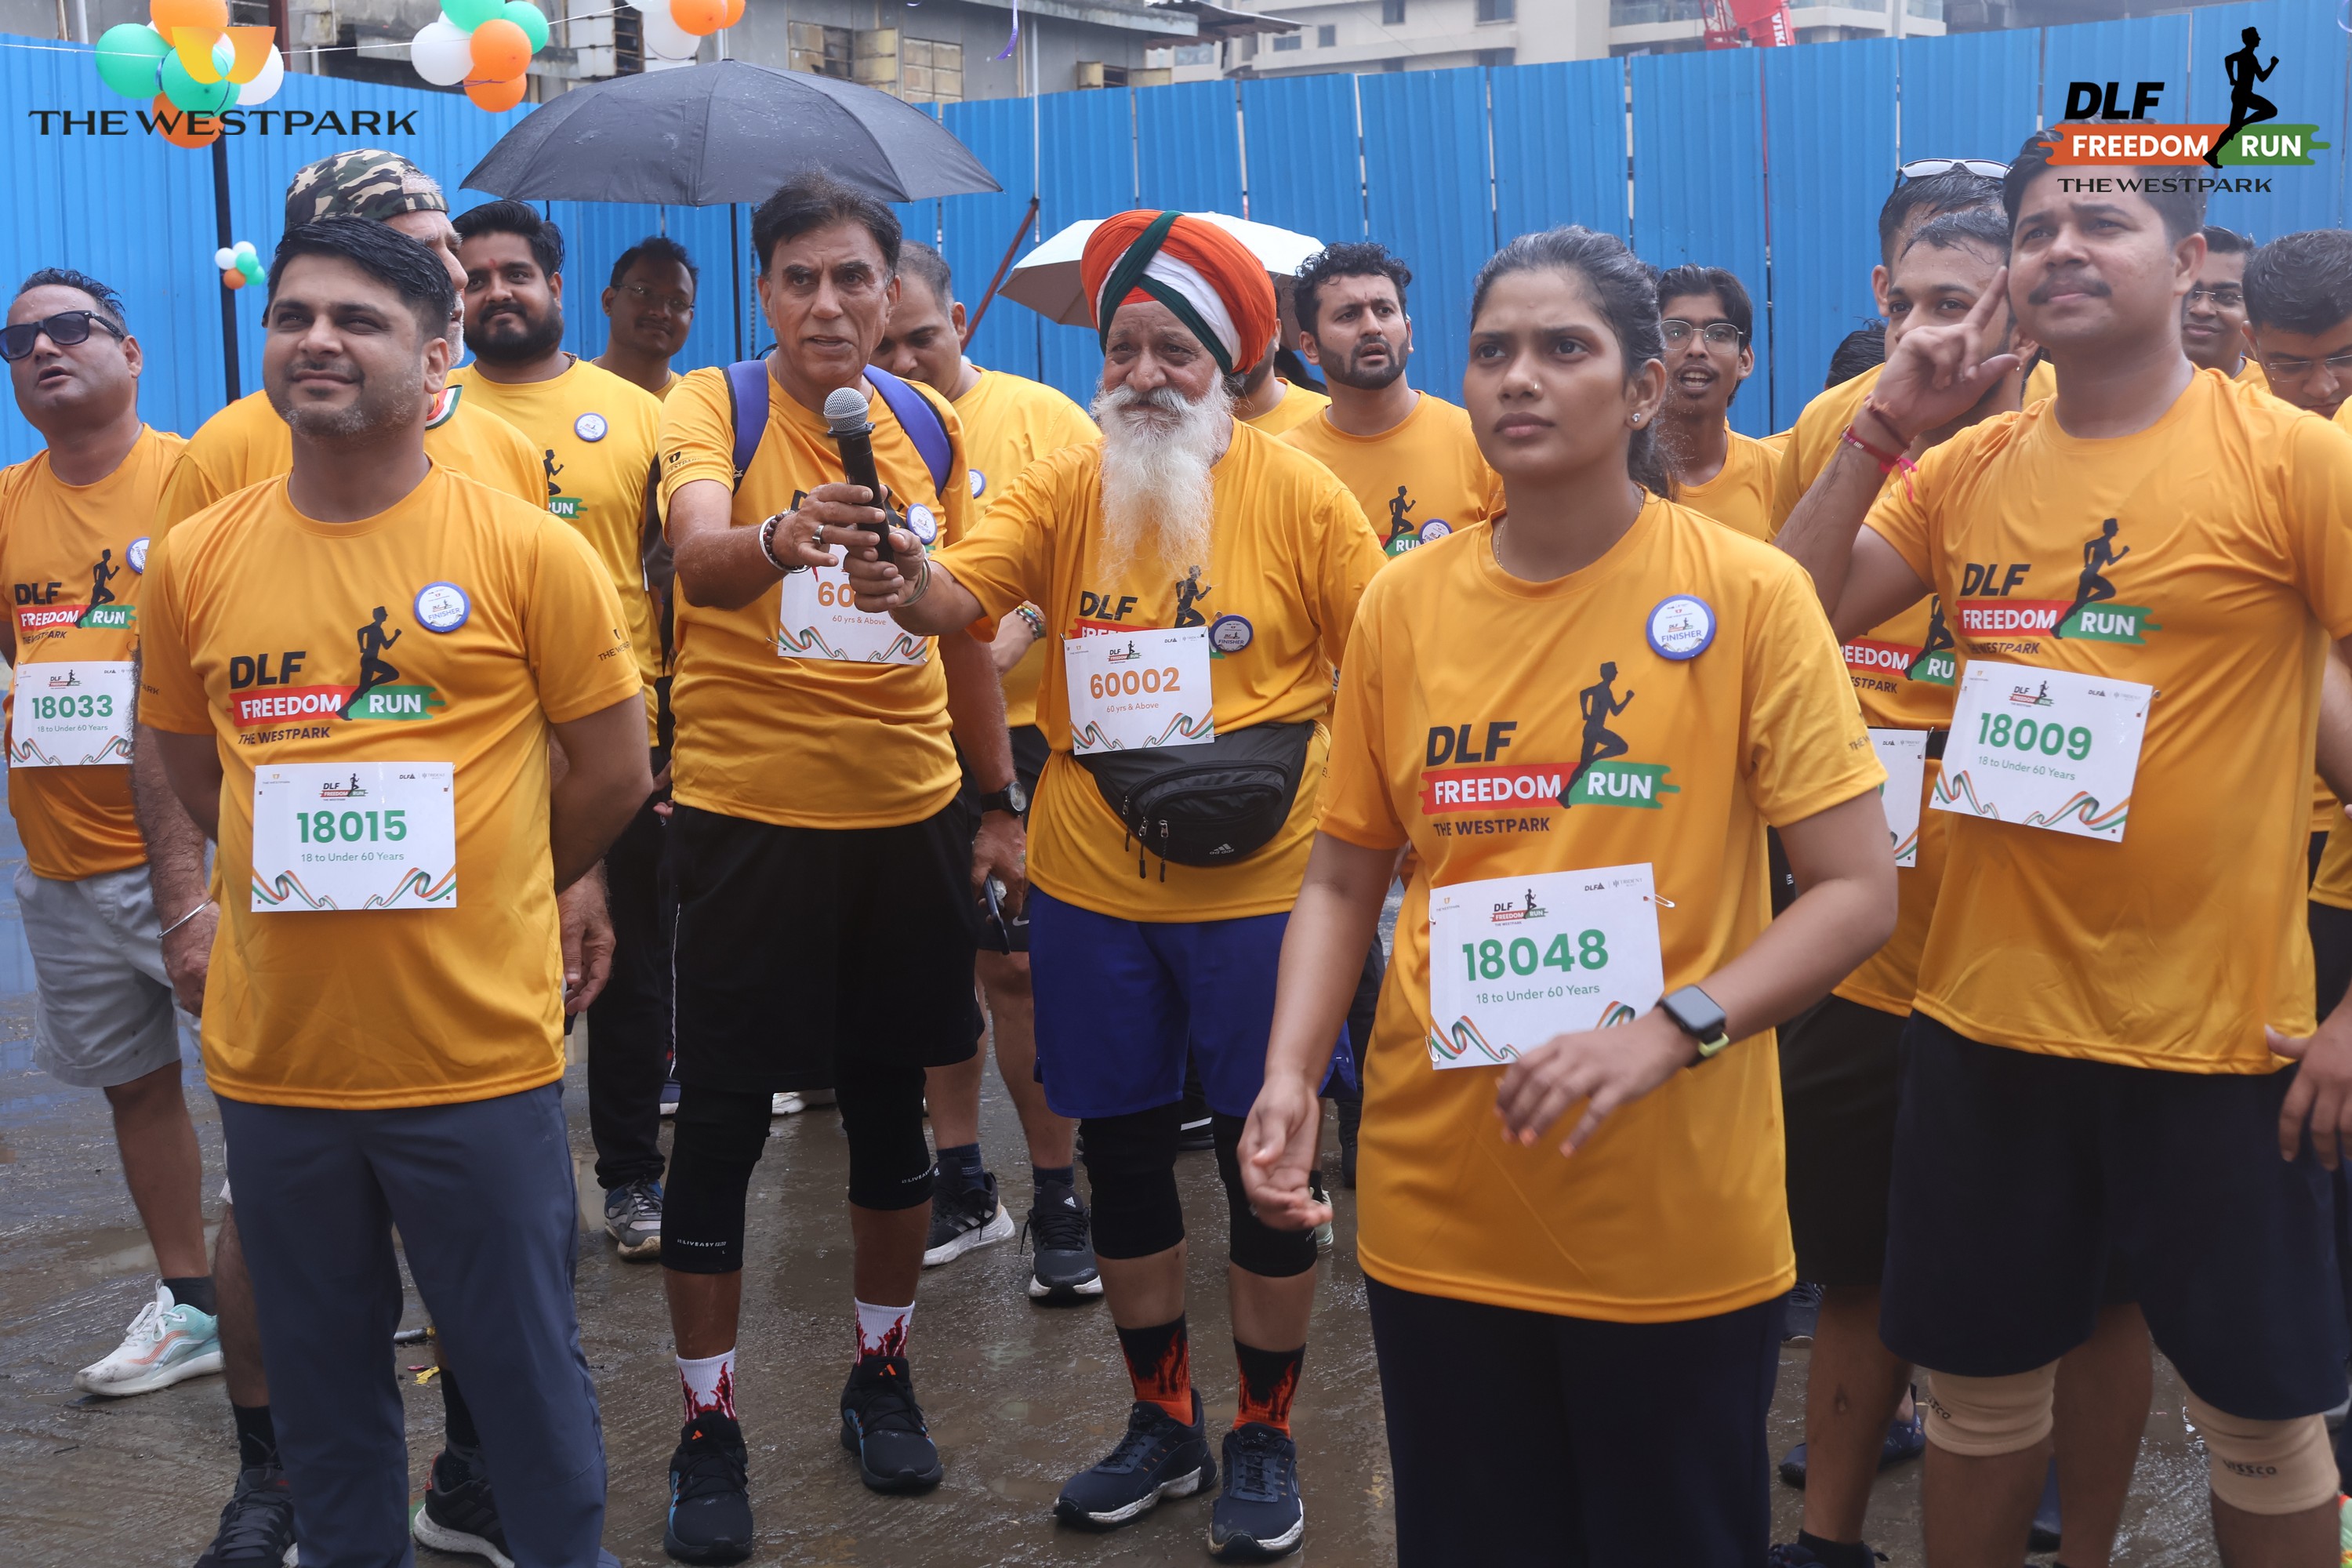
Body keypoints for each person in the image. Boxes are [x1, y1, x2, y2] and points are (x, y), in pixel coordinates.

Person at [1234, 225, 1898, 1566]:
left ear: (1644, 387)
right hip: (1441, 1197)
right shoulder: (1403, 606)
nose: (1519, 378)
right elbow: (1347, 869)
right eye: (1493, 352)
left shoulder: (1751, 595)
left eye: (1563, 348)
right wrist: (1293, 1072)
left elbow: (1853, 892)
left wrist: (1672, 1030)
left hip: (1672, 1212)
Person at [1777, 132, 2352, 1567]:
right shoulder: (1965, 468)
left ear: (2188, 260)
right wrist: (1884, 425)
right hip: (1985, 1025)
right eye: (2037, 229)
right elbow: (1782, 630)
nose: (2062, 250)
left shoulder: (2293, 461)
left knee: (2263, 1424)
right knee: (1978, 1401)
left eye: (2103, 222)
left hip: (2221, 1039)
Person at [840, 208, 1385, 1559]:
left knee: (1267, 1166)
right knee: (1127, 1157)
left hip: (1267, 891)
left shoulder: (1302, 494)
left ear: (1231, 364)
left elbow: (1389, 664)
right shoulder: (1063, 488)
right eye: (1123, 348)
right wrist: (899, 570)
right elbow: (955, 601)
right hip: (1094, 884)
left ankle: (1264, 1432)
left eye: (1173, 351)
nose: (1144, 374)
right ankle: (1163, 1420)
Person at [138, 218, 648, 1568]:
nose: (316, 338)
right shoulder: (197, 558)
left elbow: (613, 770)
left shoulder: (528, 552)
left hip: (471, 1059)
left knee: (524, 1387)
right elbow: (192, 766)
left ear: (434, 361)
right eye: (294, 315)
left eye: (357, 319)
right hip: (280, 1063)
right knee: (321, 1402)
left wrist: (497, 880)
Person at [1768, 204, 2147, 1568]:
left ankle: (2080, 1536)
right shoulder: (1853, 426)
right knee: (1861, 1260)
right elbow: (1782, 619)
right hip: (1871, 936)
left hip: (2053, 940)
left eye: (1973, 304)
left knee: (2099, 1289)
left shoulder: (2098, 434)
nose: (1944, 333)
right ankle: (1826, 1533)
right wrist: (1884, 429)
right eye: (1919, 303)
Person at [651, 172, 1024, 1560]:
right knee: (724, 1125)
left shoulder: (923, 423)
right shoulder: (716, 406)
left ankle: (882, 1375)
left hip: (908, 819)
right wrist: (781, 536)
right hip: (750, 824)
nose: (827, 304)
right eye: (799, 279)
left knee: (891, 1113)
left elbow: (965, 628)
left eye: (852, 278)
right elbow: (699, 560)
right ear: (764, 293)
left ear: (893, 292)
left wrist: (997, 801)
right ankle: (708, 1424)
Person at [869, 239, 1105, 1298]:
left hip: (1030, 736)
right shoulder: (851, 431)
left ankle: (1058, 1191)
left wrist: (1012, 631)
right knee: (931, 973)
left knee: (1019, 971)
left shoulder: (1043, 419)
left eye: (922, 337)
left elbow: (1096, 553)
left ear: (960, 320)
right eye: (884, 346)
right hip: (906, 738)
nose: (904, 361)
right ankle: (963, 1181)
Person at [1, 272, 220, 1410]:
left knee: (276, 1081)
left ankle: (316, 1281)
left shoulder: (195, 476)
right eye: (18, 339)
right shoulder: (7, 500)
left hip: (199, 852)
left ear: (131, 353)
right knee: (135, 1088)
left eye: (69, 327)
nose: (43, 348)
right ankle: (193, 1303)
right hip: (61, 861)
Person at [450, 200, 672, 1266]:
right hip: (476, 746)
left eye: (516, 272)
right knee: (499, 974)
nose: (497, 291)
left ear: (555, 286)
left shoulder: (638, 414)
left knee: (633, 972)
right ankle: (519, 1194)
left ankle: (630, 1177)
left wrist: (680, 732)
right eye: (477, 276)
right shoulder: (433, 413)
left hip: (622, 740)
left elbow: (672, 581)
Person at [154, 151, 546, 532]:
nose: (459, 276)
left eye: (452, 248)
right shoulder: (225, 455)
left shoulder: (507, 449)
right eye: (421, 253)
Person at [1768, 162, 2058, 533]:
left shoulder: (2075, 419)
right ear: (1884, 290)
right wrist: (1875, 437)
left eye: (1950, 304)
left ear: (2025, 329)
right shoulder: (1829, 422)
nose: (1910, 331)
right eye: (1902, 306)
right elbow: (1795, 571)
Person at [1652, 263, 1780, 540]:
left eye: (1718, 334)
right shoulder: (1613, 478)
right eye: (1675, 332)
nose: (1696, 349)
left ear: (1744, 361)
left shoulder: (1779, 478)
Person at [2245, 230, 2352, 421]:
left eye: (2346, 359)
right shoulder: (2235, 430)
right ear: (2253, 343)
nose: (2322, 389)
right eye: (2291, 366)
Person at [594, 234, 699, 400]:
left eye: (678, 302)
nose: (661, 312)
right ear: (609, 301)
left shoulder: (694, 406)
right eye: (644, 292)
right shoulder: (572, 391)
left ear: (690, 318)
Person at [2182, 225, 2259, 383]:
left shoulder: (2278, 391)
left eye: (2225, 296)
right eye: (2190, 292)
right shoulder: (2130, 388)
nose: (2202, 309)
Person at [2206, 25, 2278, 169]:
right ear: (2251, 40)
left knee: (2233, 128)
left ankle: (2212, 153)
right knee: (2271, 110)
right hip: (2243, 94)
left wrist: (2232, 78)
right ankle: (2243, 124)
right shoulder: (2249, 57)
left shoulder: (2244, 54)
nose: (2259, 39)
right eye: (2257, 37)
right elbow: (2262, 77)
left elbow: (2228, 59)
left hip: (2240, 93)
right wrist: (2273, 65)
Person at [1232, 330, 1330, 437]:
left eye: (1246, 332)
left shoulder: (1325, 413)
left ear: (1275, 334)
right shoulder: (1219, 432)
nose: (1233, 350)